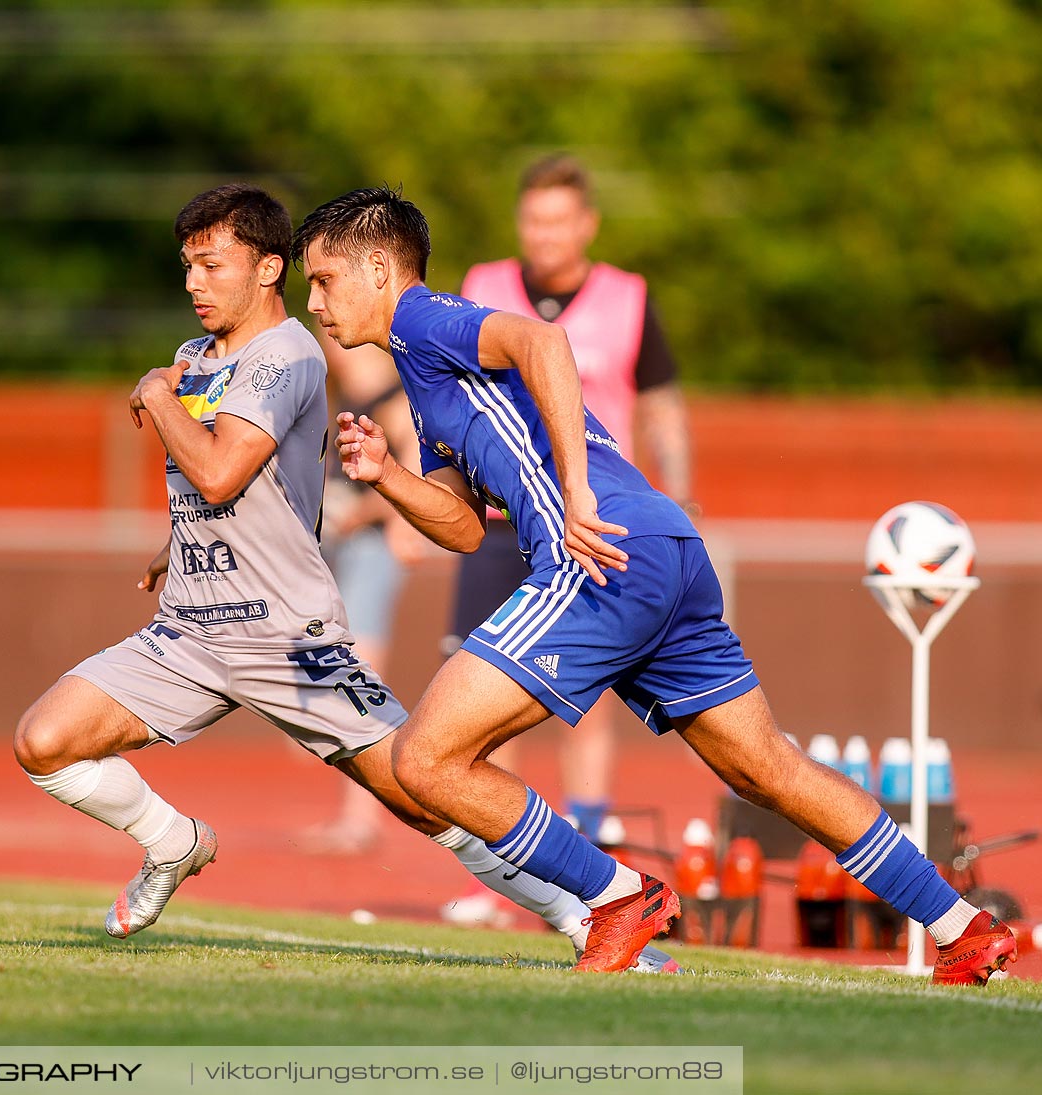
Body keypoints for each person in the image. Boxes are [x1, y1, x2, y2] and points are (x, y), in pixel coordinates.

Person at [295, 186, 1015, 982]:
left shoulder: (425, 319)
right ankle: (964, 924)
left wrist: (574, 495)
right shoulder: (422, 376)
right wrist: (389, 476)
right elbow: (465, 527)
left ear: (376, 267)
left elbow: (545, 343)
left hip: (604, 550)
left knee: (426, 759)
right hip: (665, 545)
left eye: (323, 279)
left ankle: (618, 896)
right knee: (765, 768)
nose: (315, 301)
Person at [12, 183, 676, 971]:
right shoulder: (193, 360)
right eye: (186, 266)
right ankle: (174, 841)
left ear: (266, 270)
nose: (193, 282)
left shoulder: (288, 352)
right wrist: (177, 541)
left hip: (287, 637)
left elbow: (223, 470)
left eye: (210, 264)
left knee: (421, 789)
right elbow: (214, 495)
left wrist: (156, 396)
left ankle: (585, 913)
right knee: (43, 741)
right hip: (190, 631)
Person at [452, 153, 698, 852]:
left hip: (593, 518)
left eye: (560, 220)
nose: (547, 234)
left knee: (583, 689)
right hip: (503, 518)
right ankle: (506, 859)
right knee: (483, 690)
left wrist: (678, 497)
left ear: (586, 224)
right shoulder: (485, 287)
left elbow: (662, 409)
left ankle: (584, 844)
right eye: (535, 219)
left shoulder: (628, 298)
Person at [298, 334, 423, 856]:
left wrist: (360, 514)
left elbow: (416, 480)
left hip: (371, 551)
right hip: (341, 549)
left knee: (361, 681)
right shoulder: (338, 395)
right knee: (337, 678)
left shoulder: (395, 395)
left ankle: (363, 818)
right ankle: (354, 814)